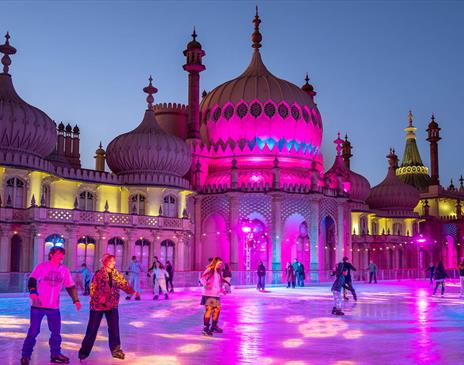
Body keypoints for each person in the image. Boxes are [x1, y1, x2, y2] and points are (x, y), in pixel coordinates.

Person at [21, 247, 81, 365]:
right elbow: (32, 279)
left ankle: (55, 354)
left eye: (62, 254)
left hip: (53, 307)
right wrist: (33, 291)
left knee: (56, 332)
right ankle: (25, 355)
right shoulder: (42, 267)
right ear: (51, 255)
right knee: (33, 331)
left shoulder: (64, 270)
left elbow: (70, 286)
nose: (61, 256)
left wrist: (76, 300)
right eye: (58, 254)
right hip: (38, 305)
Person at [78, 254, 140, 360]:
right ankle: (84, 351)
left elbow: (124, 284)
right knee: (92, 329)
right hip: (98, 306)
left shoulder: (116, 274)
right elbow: (93, 289)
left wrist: (133, 292)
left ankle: (116, 350)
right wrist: (98, 298)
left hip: (112, 304)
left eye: (114, 261)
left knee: (114, 328)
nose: (113, 263)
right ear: (105, 262)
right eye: (111, 261)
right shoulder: (99, 274)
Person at [199, 257, 225, 336]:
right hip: (209, 293)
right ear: (215, 262)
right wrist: (206, 285)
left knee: (217, 309)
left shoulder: (217, 271)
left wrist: (221, 289)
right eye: (219, 263)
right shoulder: (210, 269)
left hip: (215, 293)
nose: (220, 265)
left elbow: (218, 282)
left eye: (221, 263)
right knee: (209, 310)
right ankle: (205, 328)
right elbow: (202, 279)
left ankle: (213, 326)